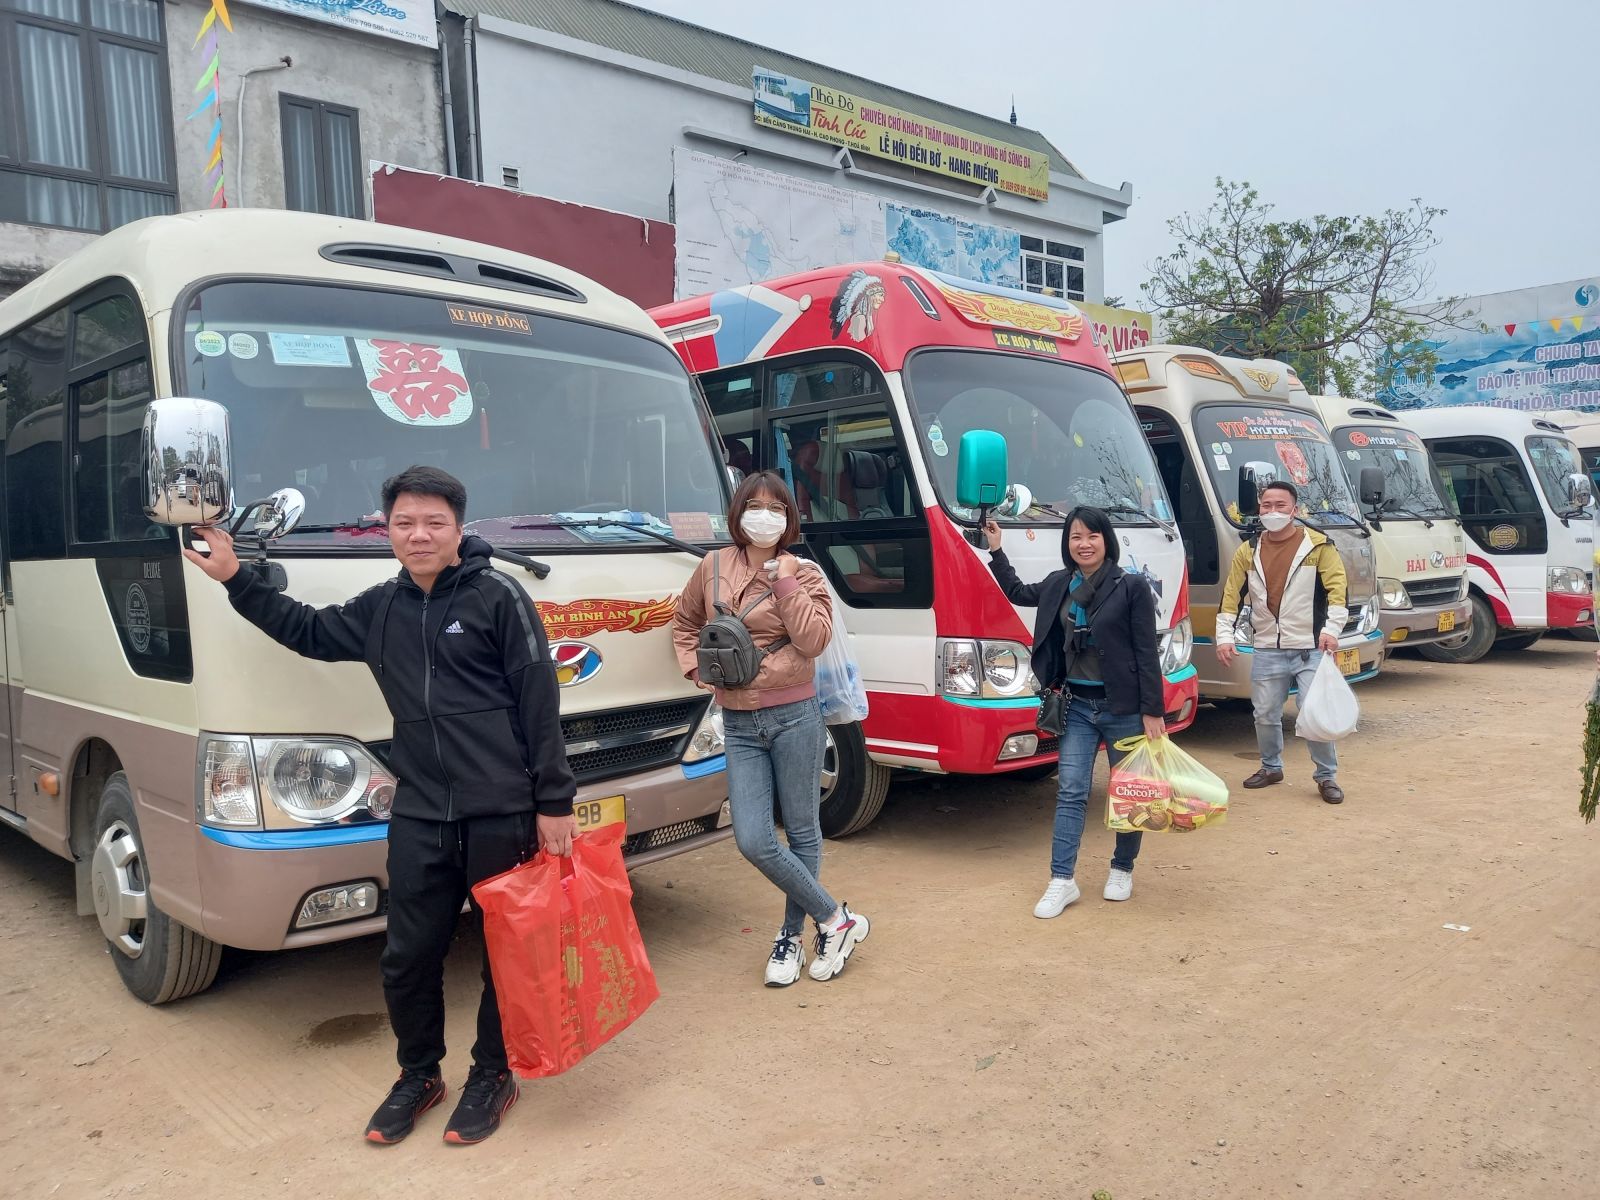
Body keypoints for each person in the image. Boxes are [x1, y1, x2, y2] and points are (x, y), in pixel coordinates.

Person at [183, 465, 576, 1146]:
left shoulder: (499, 598)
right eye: (404, 522)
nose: (418, 534)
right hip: (422, 809)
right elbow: (305, 629)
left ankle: (491, 1074)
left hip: (501, 809)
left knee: (504, 952)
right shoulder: (382, 608)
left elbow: (540, 706)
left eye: (434, 522)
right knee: (407, 955)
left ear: (459, 528)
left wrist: (555, 802)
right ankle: (419, 1074)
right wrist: (233, 578)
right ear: (387, 528)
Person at [672, 471, 870, 986]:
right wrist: (699, 669)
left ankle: (790, 935)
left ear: (789, 519)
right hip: (737, 720)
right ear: (738, 512)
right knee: (753, 838)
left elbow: (813, 640)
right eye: (754, 505)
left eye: (776, 507)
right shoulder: (712, 565)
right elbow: (685, 621)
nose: (764, 514)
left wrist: (783, 580)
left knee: (802, 831)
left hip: (795, 717)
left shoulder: (804, 573)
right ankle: (835, 918)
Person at [984, 506, 1167, 917]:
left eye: (1092, 536)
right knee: (1070, 791)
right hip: (1078, 708)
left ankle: (1122, 867)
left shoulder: (1131, 586)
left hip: (1124, 709)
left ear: (1106, 541)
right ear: (1067, 544)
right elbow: (1016, 591)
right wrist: (997, 549)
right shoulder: (1057, 584)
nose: (1084, 544)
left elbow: (1146, 652)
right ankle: (1062, 880)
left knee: (1128, 793)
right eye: (1075, 537)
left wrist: (1153, 711)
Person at [1214, 479, 1349, 804]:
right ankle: (1271, 767)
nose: (1273, 512)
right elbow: (1231, 596)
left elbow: (1338, 591)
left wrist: (1332, 629)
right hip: (1267, 648)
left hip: (1309, 648)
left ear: (1295, 509)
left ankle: (1326, 777)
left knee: (1312, 712)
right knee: (1264, 714)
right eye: (1266, 506)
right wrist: (1224, 636)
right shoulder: (1248, 550)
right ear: (1259, 509)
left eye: (1280, 506)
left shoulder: (1319, 547)